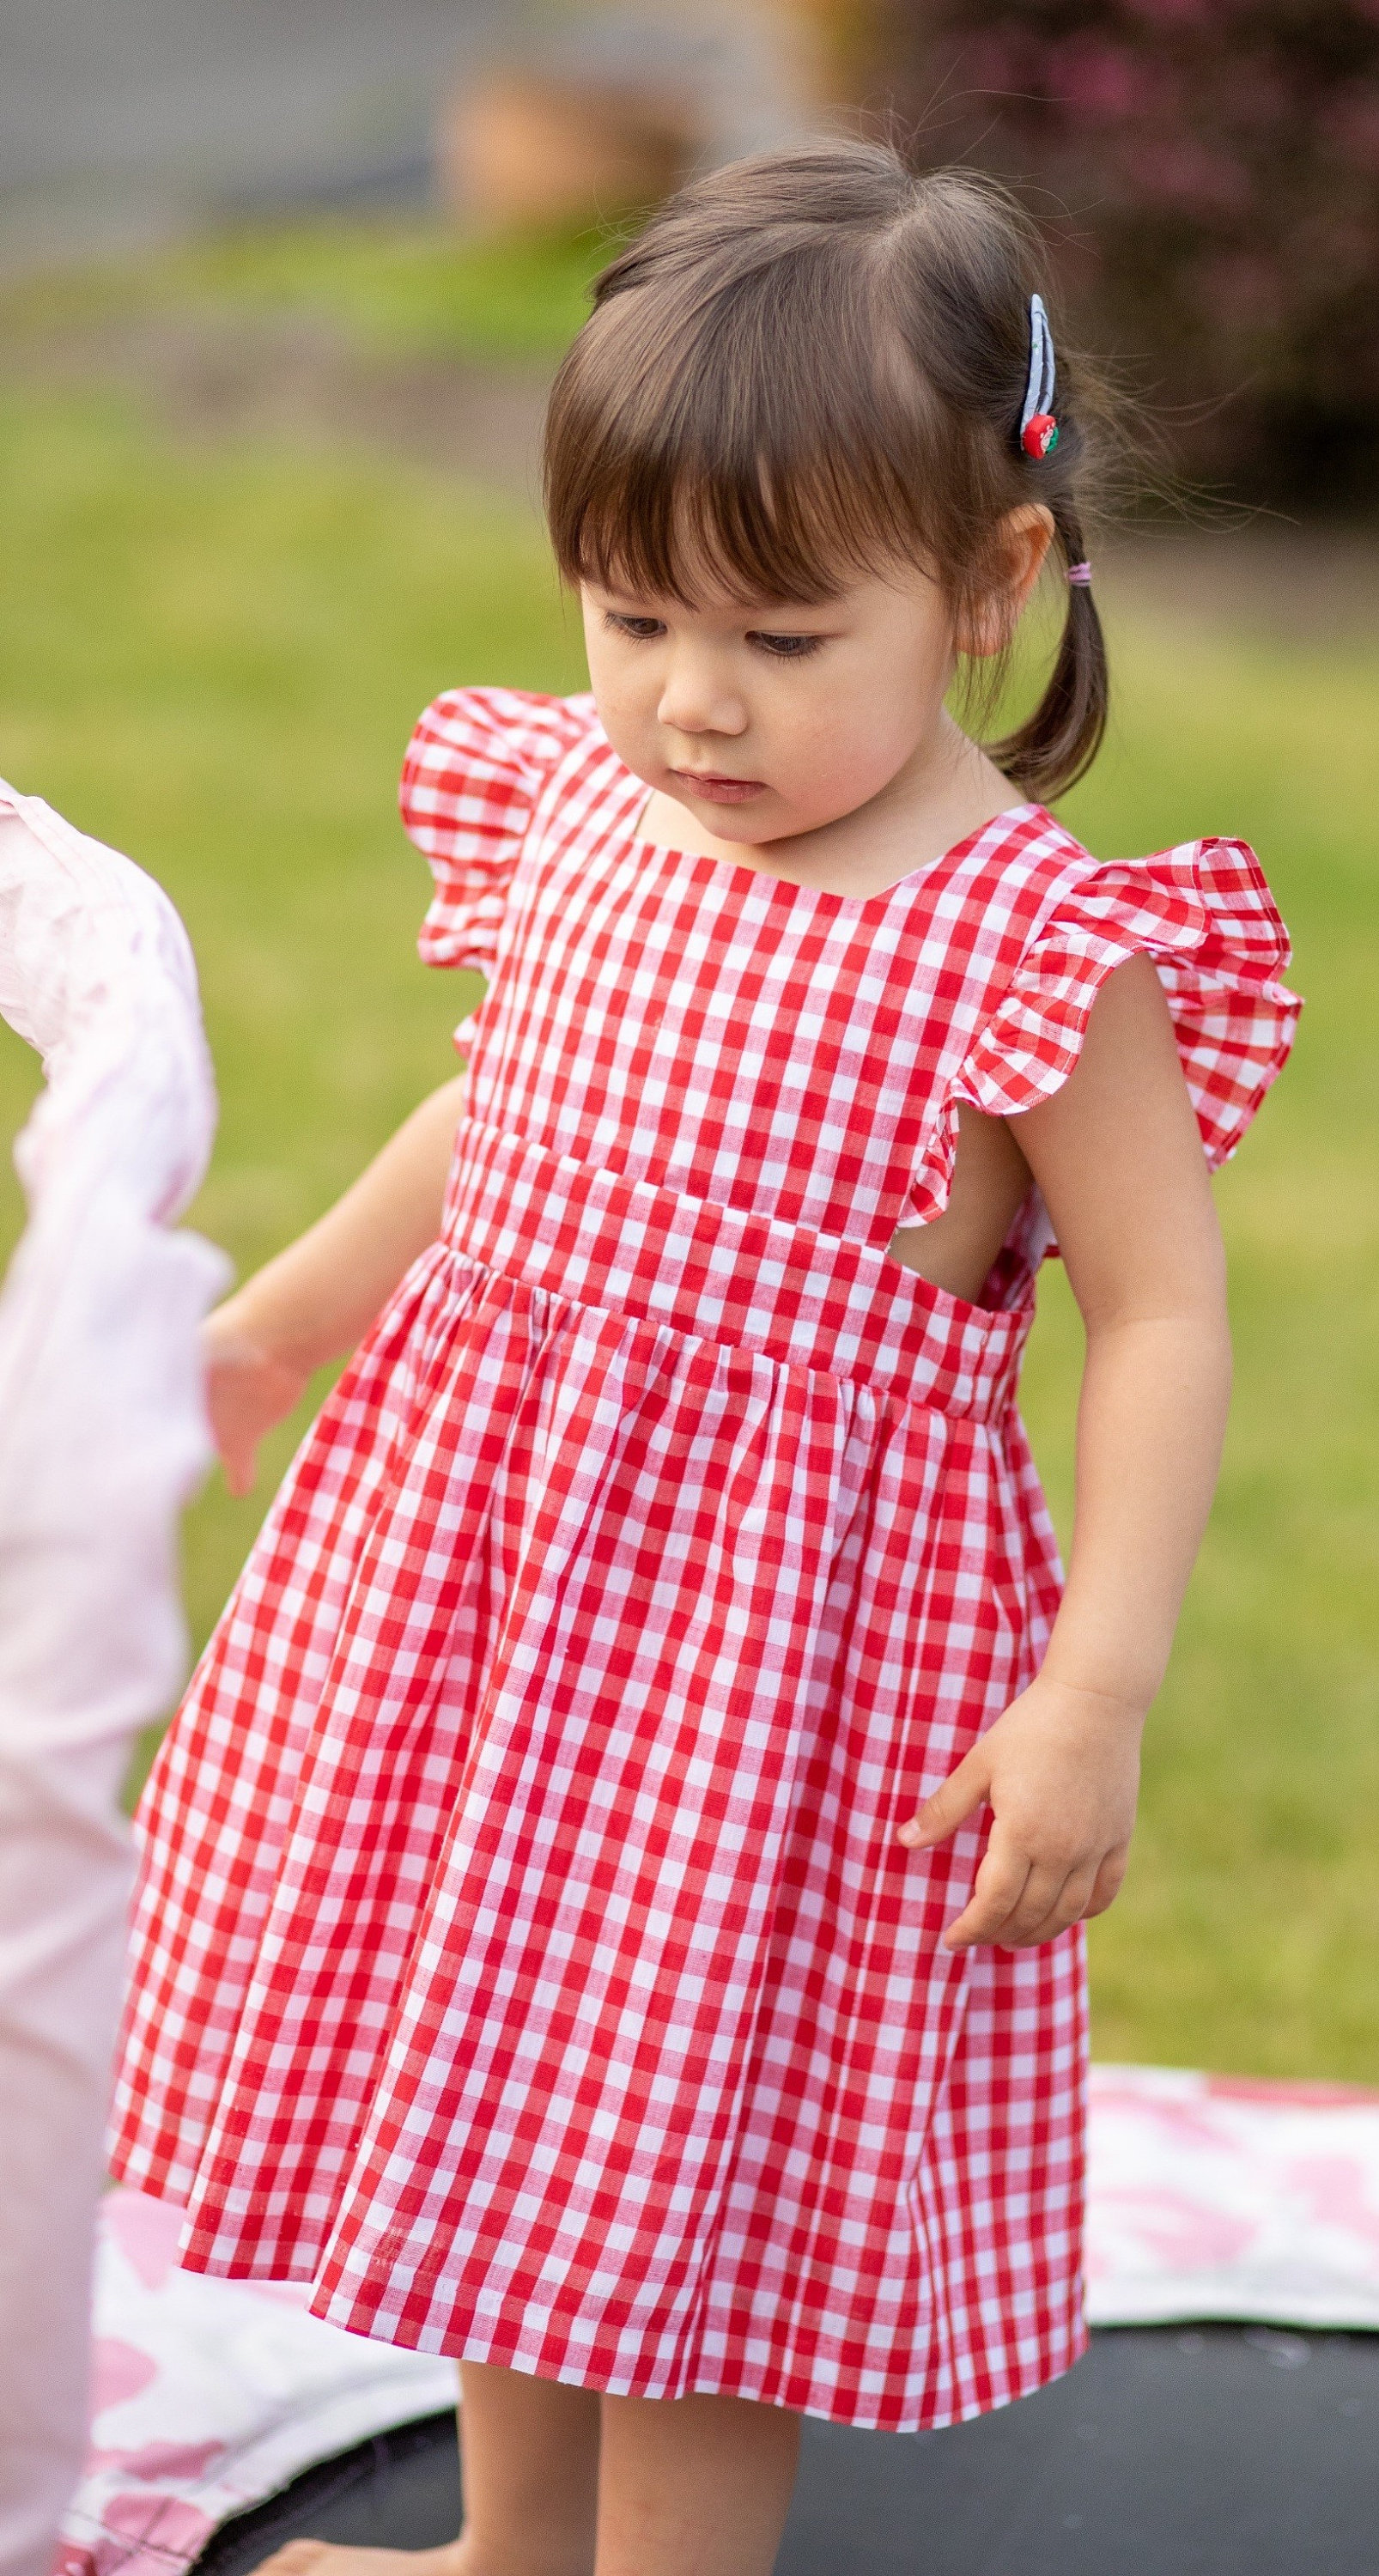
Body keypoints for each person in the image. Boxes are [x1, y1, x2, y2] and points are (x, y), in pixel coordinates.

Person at [107, 140, 1298, 2576]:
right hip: (487, 1587)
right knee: (501, 2098)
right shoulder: (578, 802)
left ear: (986, 591)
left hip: (786, 1664)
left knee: (685, 2181)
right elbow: (503, 1114)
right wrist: (261, 1342)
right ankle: (505, 2554)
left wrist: (1098, 1687)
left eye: (776, 639)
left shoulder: (1026, 952)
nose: (686, 700)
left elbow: (1163, 1308)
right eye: (631, 617)